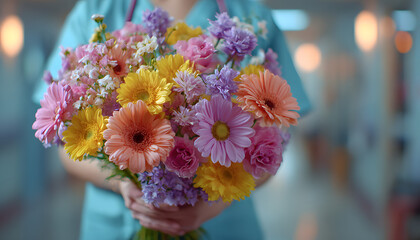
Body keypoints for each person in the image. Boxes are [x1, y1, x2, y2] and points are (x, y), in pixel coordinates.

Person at [34, 0, 311, 239]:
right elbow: (68, 143)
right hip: (116, 225)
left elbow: (273, 146)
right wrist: (121, 183)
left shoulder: (254, 16)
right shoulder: (96, 10)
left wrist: (216, 203)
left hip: (224, 223)